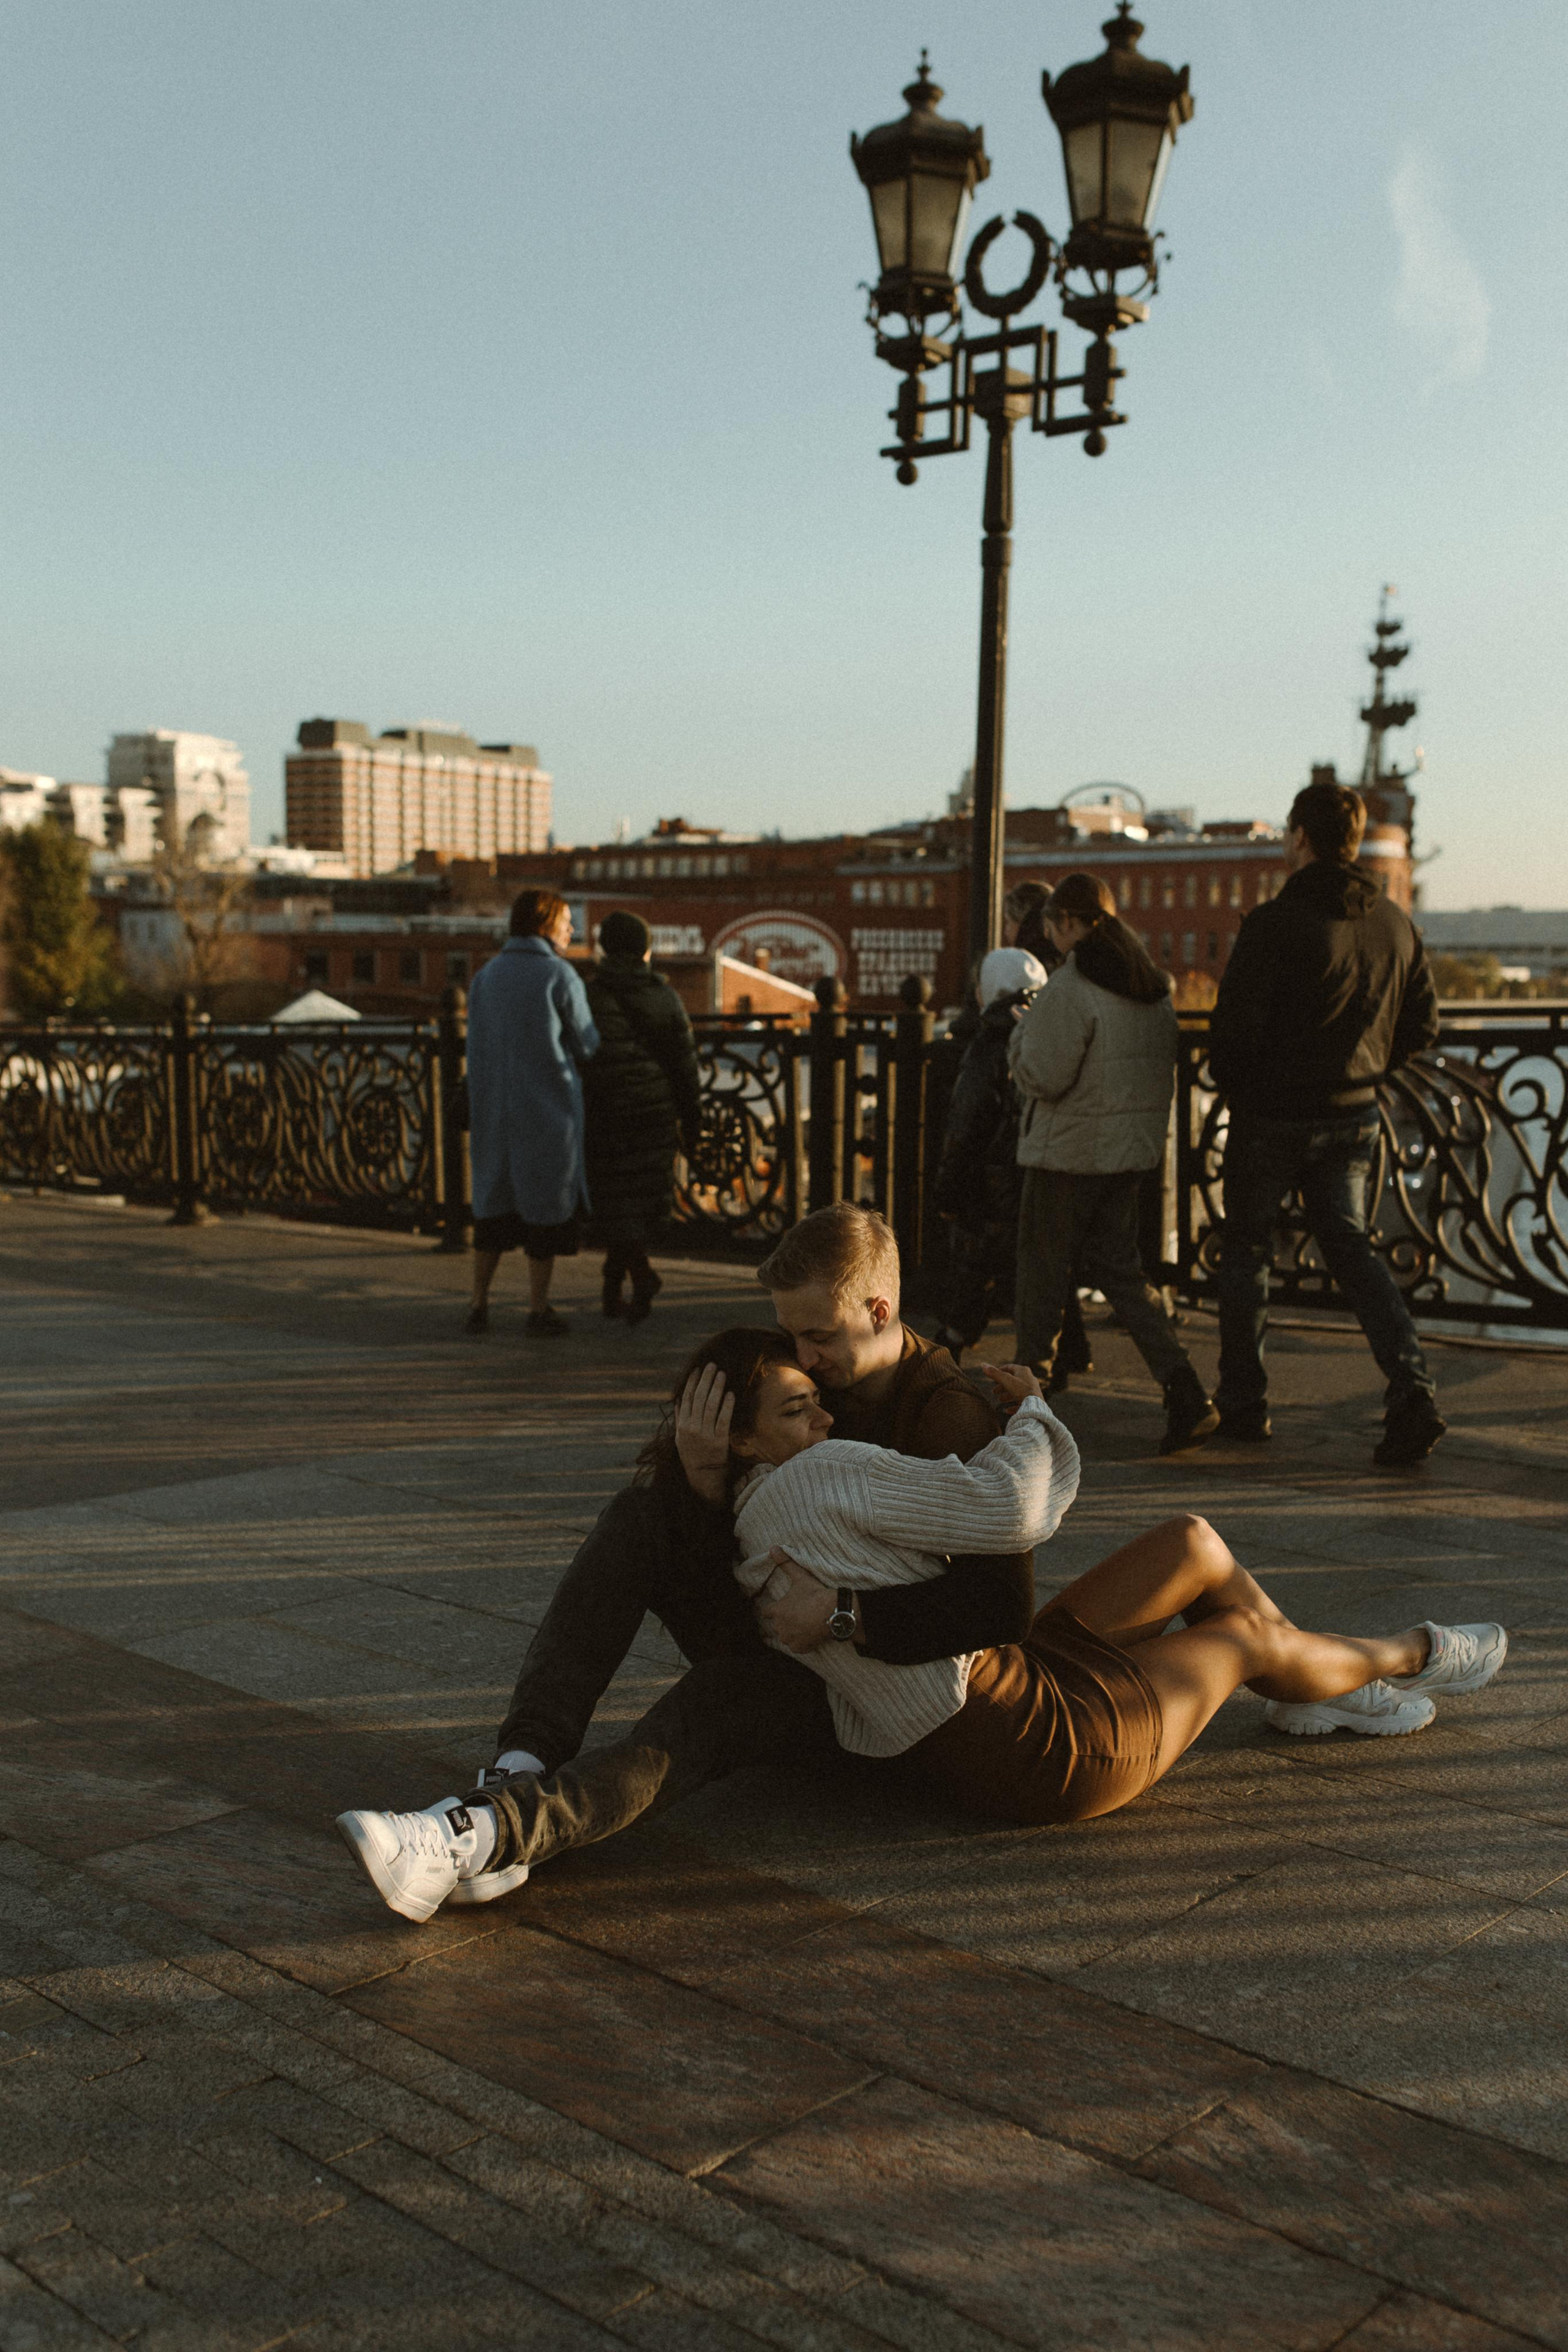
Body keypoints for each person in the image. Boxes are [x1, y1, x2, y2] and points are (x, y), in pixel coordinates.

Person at [336, 1329, 1507, 1920]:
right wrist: (1026, 1400)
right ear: (746, 1433)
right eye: (797, 1400)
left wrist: (804, 1564)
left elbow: (997, 1596)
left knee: (1206, 1551)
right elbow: (1011, 1512)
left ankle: (1336, 1685)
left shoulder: (818, 1457)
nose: (826, 1400)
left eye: (820, 1374)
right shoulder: (800, 1476)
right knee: (1239, 1627)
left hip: (982, 1667)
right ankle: (1406, 1654)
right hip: (993, 1723)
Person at [1208, 779, 1444, 1465]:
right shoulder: (1395, 923)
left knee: (1246, 1254)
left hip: (1273, 1118)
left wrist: (1246, 1088)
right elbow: (1423, 1023)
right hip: (1354, 1116)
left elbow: (1233, 1037)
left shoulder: (1274, 924)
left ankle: (1245, 1406)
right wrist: (1368, 1066)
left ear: (1301, 838)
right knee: (1352, 1249)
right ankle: (1412, 1391)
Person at [1010, 872, 1217, 1453]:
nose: (1050, 938)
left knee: (1040, 1276)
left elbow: (1042, 1076)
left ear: (1070, 922)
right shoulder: (1151, 984)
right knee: (1122, 1275)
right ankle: (1186, 1390)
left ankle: (1028, 1409)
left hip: (1067, 1155)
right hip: (1128, 1157)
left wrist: (1017, 1039)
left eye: (1052, 926)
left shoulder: (1073, 986)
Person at [464, 889, 598, 1338]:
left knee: (493, 1212)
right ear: (545, 925)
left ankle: (478, 1304)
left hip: (493, 1111)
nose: (572, 929)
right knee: (544, 1216)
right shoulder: (559, 975)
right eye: (565, 921)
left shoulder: (486, 976)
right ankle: (537, 1309)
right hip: (547, 1113)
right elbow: (587, 1043)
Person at [932, 947, 1060, 1368]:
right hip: (1041, 1172)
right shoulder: (1049, 1030)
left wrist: (948, 1191)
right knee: (1041, 1267)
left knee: (976, 1266)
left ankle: (949, 1346)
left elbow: (966, 1125)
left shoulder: (989, 1044)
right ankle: (1068, 1350)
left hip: (991, 1184)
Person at [582, 909, 701, 1324]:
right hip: (654, 1114)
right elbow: (684, 1065)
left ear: (605, 949)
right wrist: (693, 1119)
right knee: (632, 1203)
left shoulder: (590, 994)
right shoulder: (664, 996)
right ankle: (630, 1281)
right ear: (645, 950)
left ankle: (626, 1282)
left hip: (603, 1113)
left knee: (616, 1202)